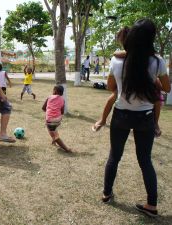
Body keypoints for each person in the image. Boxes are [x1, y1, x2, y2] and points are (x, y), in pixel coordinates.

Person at [102, 19, 171, 218]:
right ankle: (152, 205)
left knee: (114, 156)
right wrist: (154, 79)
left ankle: (106, 193)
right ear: (150, 39)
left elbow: (110, 87)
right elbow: (166, 88)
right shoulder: (157, 61)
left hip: (121, 114)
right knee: (145, 161)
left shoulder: (116, 60)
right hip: (146, 118)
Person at [93, 26, 164, 138]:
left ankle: (155, 124)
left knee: (156, 99)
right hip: (133, 91)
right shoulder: (136, 54)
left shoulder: (138, 54)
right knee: (156, 100)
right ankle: (155, 124)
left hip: (139, 88)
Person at [42, 85, 72, 152]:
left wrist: (49, 110)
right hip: (58, 120)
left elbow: (43, 108)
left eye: (53, 90)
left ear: (55, 91)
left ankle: (66, 149)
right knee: (52, 128)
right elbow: (62, 111)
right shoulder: (62, 100)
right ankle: (53, 139)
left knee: (54, 133)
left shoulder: (49, 97)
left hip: (49, 120)